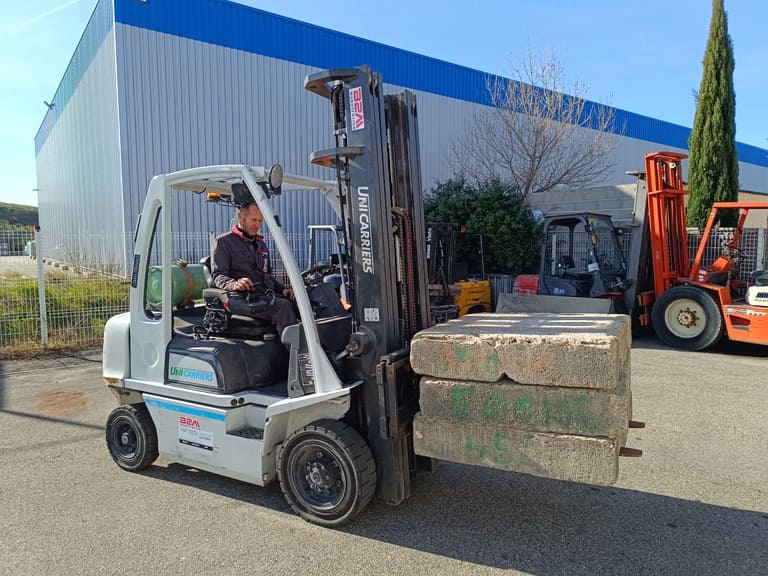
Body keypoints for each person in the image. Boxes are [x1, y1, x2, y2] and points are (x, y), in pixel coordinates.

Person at [211, 202, 298, 338]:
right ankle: (297, 354)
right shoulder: (224, 242)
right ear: (241, 217)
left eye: (260, 221)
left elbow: (267, 277)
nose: (257, 225)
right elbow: (218, 275)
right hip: (245, 299)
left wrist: (282, 289)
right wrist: (235, 284)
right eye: (253, 220)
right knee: (283, 306)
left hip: (265, 296)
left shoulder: (260, 244)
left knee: (303, 302)